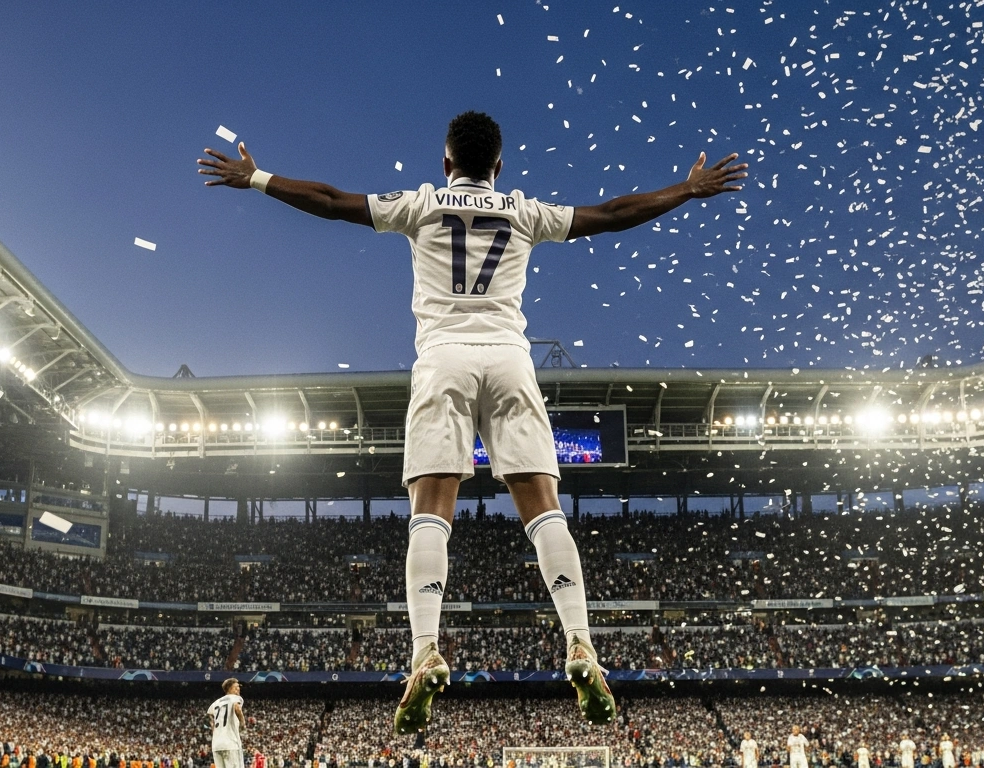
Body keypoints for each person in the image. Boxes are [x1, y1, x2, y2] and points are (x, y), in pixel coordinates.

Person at [197, 111, 746, 734]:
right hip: (510, 360)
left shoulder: (422, 205)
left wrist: (257, 178)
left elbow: (330, 201)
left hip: (443, 361)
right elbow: (614, 213)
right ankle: (580, 640)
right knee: (545, 513)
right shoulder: (524, 211)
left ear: (446, 163)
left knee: (430, 515)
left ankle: (426, 650)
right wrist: (686, 189)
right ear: (499, 167)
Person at [208, 678, 247, 768]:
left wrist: (214, 729)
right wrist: (243, 723)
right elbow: (237, 708)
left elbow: (209, 716)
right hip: (231, 743)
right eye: (236, 687)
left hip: (216, 745)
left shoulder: (216, 702)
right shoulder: (235, 698)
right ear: (230, 688)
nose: (239, 689)